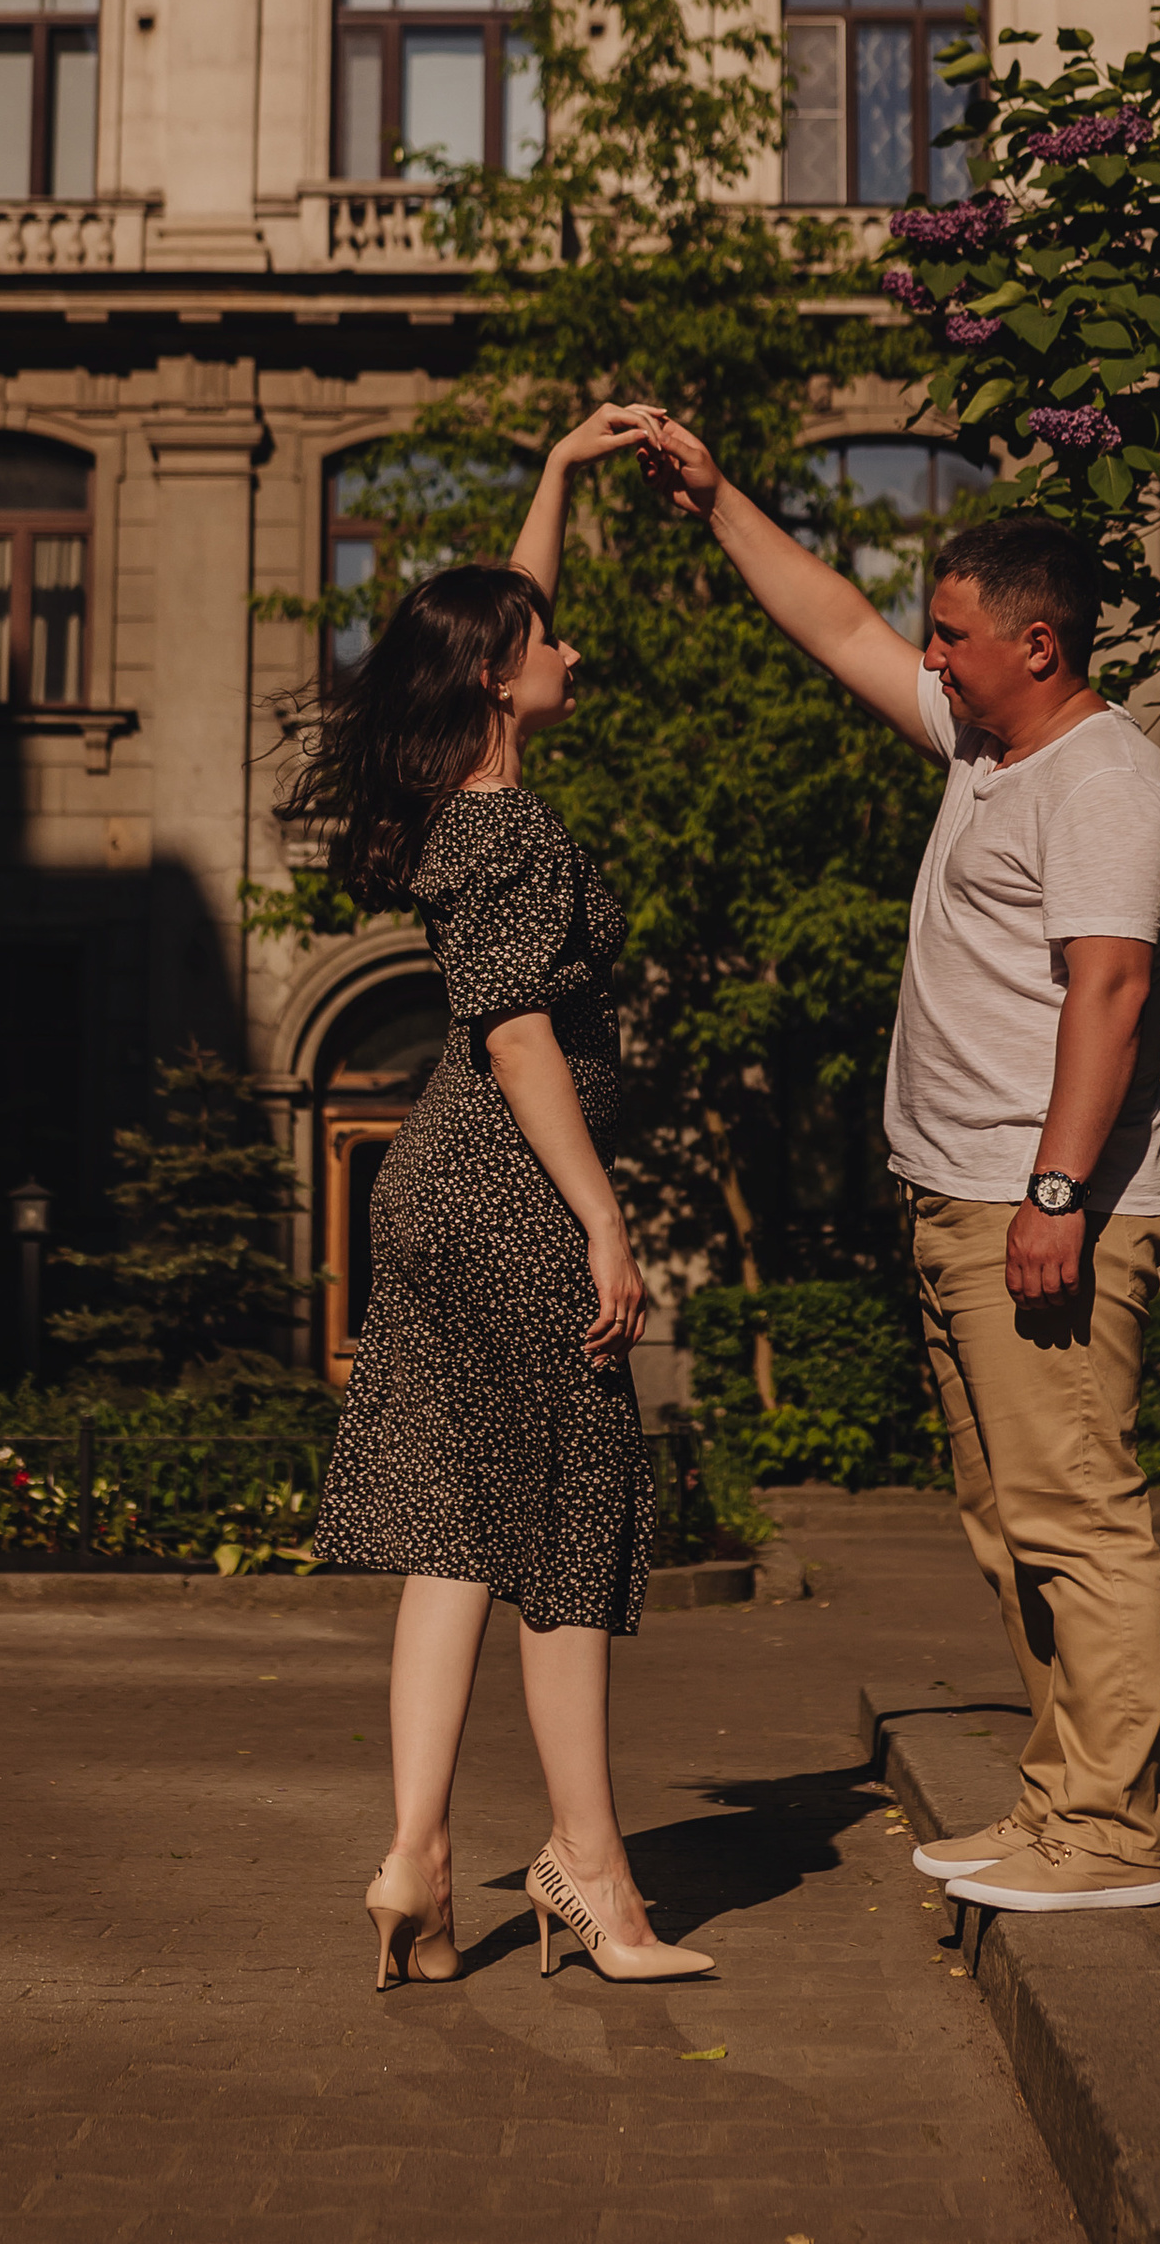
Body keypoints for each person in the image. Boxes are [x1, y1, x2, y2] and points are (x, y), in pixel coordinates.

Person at [640, 424, 1160, 1915]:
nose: (929, 658)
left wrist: (1057, 1196)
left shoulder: (1100, 780)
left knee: (1075, 1518)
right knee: (1012, 1527)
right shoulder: (988, 746)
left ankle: (1113, 1834)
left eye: (951, 636)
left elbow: (1112, 992)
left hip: (1040, 1206)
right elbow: (833, 624)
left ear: (1038, 643)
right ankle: (1061, 1802)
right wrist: (719, 503)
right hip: (963, 1200)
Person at [295, 403, 714, 1994]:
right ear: (494, 677)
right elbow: (524, 1033)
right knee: (567, 1526)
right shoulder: (519, 830)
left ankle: (415, 1860)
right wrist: (604, 1219)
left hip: (431, 1186)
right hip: (514, 1191)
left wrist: (555, 475)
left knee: (462, 1525)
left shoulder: (449, 806)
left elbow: (498, 619)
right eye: (550, 643)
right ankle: (593, 1875)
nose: (572, 651)